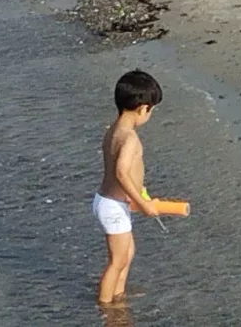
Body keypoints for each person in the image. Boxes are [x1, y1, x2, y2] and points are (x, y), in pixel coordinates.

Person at [94, 70, 165, 307]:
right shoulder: (130, 138)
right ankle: (106, 308)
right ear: (143, 108)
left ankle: (118, 296)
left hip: (110, 202)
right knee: (117, 260)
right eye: (151, 110)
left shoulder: (113, 130)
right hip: (113, 206)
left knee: (127, 254)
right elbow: (122, 172)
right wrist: (143, 204)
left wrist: (138, 192)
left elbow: (123, 171)